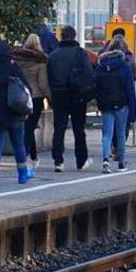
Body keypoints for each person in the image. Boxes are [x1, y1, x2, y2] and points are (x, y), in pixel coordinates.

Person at [46, 26, 93, 172]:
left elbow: (48, 77)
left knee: (59, 128)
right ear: (74, 36)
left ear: (61, 36)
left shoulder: (53, 56)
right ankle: (81, 160)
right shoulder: (81, 54)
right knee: (79, 128)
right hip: (77, 94)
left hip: (59, 94)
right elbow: (88, 74)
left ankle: (58, 161)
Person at [0, 40, 33, 185]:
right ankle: (23, 174)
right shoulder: (13, 67)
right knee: (18, 143)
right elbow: (27, 88)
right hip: (15, 112)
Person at [94, 37, 136, 173]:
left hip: (106, 104)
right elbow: (130, 89)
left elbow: (96, 86)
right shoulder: (124, 66)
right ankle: (121, 163)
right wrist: (133, 110)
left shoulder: (101, 66)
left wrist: (99, 101)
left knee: (107, 133)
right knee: (120, 134)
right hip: (122, 103)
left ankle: (106, 160)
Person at [12, 34, 49, 171]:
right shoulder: (40, 61)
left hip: (20, 96)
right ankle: (25, 157)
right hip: (35, 97)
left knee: (27, 126)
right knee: (29, 128)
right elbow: (43, 84)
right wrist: (49, 97)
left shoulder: (17, 59)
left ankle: (33, 157)